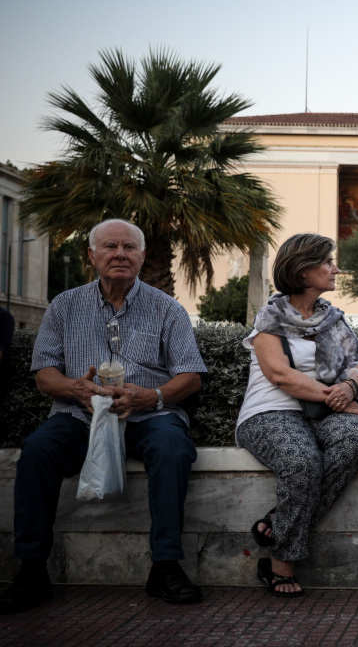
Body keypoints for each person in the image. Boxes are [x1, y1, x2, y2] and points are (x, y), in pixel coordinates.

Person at [0, 219, 206, 613]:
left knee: (172, 447)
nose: (120, 254)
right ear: (91, 255)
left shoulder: (168, 309)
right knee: (38, 449)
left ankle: (165, 566)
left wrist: (152, 396)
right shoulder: (64, 305)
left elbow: (191, 377)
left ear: (142, 257)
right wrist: (75, 388)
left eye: (129, 247)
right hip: (80, 415)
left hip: (147, 416)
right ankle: (31, 570)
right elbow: (44, 375)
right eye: (110, 246)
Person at [236, 233, 358, 597]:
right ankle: (282, 563)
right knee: (302, 460)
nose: (336, 268)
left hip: (322, 412)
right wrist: (340, 397)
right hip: (270, 412)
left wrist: (351, 388)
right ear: (302, 270)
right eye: (328, 262)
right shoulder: (270, 319)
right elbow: (281, 376)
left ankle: (278, 522)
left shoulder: (333, 319)